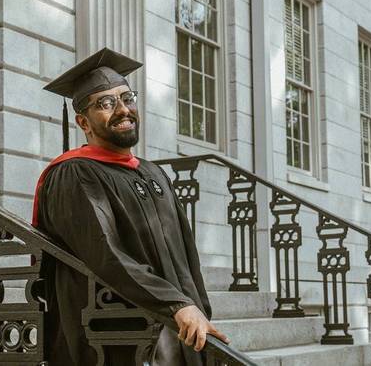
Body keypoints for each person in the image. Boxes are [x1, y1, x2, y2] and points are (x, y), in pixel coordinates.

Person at [32, 47, 229, 365]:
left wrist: (198, 310)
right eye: (106, 103)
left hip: (175, 328)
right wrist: (176, 305)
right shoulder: (73, 173)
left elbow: (187, 258)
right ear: (83, 122)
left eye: (127, 98)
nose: (123, 109)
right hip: (114, 338)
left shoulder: (152, 172)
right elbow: (106, 254)